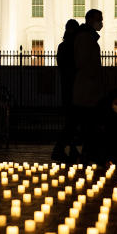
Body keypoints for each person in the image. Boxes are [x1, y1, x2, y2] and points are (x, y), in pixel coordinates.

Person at [72, 9, 106, 161]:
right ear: (91, 20)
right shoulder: (86, 37)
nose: (102, 23)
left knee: (88, 123)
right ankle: (88, 153)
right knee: (88, 123)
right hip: (87, 88)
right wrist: (94, 77)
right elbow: (84, 62)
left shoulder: (88, 37)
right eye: (99, 19)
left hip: (89, 87)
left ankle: (88, 152)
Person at [51, 19, 80, 162]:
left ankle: (71, 149)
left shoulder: (63, 46)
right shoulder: (73, 46)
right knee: (72, 122)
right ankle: (60, 149)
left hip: (68, 88)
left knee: (72, 122)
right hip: (73, 88)